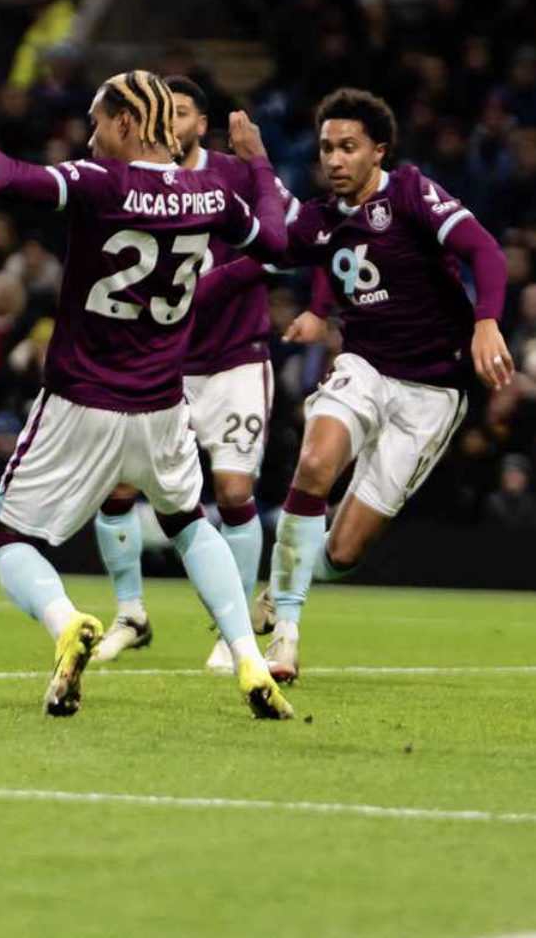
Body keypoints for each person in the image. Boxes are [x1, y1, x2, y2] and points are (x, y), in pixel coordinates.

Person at [0, 51, 294, 720]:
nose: (90, 135)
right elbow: (275, 241)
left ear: (129, 122)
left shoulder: (103, 182)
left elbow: (3, 178)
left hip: (81, 398)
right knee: (189, 523)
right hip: (163, 402)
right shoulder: (213, 192)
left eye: (97, 123)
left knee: (11, 540)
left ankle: (67, 621)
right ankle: (246, 653)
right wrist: (261, 163)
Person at [200, 88, 511, 683]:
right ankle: (285, 637)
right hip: (363, 367)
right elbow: (258, 259)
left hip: (432, 392)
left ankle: (282, 588)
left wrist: (487, 320)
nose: (335, 160)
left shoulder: (412, 192)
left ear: (379, 152)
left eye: (349, 148)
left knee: (340, 556)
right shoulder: (319, 220)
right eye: (325, 149)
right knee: (315, 464)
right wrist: (184, 300)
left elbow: (484, 251)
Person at [92, 76, 294, 672]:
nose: (171, 121)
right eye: (163, 111)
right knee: (119, 487)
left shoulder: (233, 176)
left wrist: (308, 305)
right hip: (165, 362)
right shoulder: (133, 177)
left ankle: (231, 630)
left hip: (234, 360)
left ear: (200, 123)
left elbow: (291, 237)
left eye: (180, 112)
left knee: (233, 491)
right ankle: (131, 612)